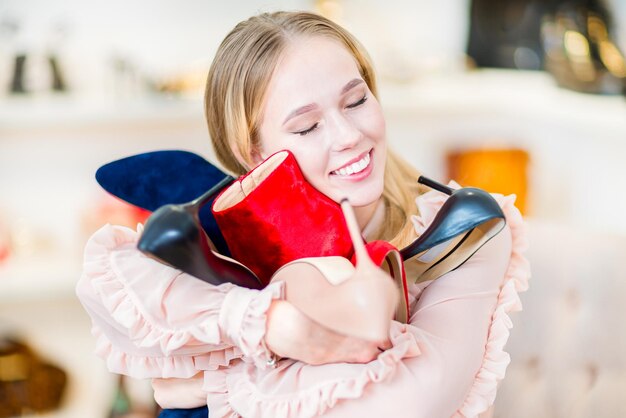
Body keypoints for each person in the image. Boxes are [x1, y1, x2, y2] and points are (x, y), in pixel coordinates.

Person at [76, 11, 529, 418]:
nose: (349, 135)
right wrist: (274, 327)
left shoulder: (464, 227)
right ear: (252, 152)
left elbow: (411, 399)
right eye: (307, 126)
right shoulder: (234, 237)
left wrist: (215, 385)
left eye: (356, 101)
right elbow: (116, 290)